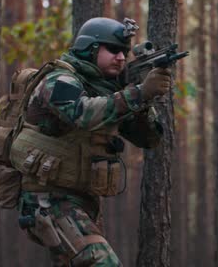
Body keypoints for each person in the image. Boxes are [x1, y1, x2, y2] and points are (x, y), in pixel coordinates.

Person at [10, 17, 171, 266]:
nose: (121, 57)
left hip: (80, 203)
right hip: (47, 200)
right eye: (113, 49)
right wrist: (138, 92)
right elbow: (81, 114)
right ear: (90, 48)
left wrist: (142, 100)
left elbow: (150, 139)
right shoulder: (59, 79)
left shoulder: (107, 90)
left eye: (124, 52)